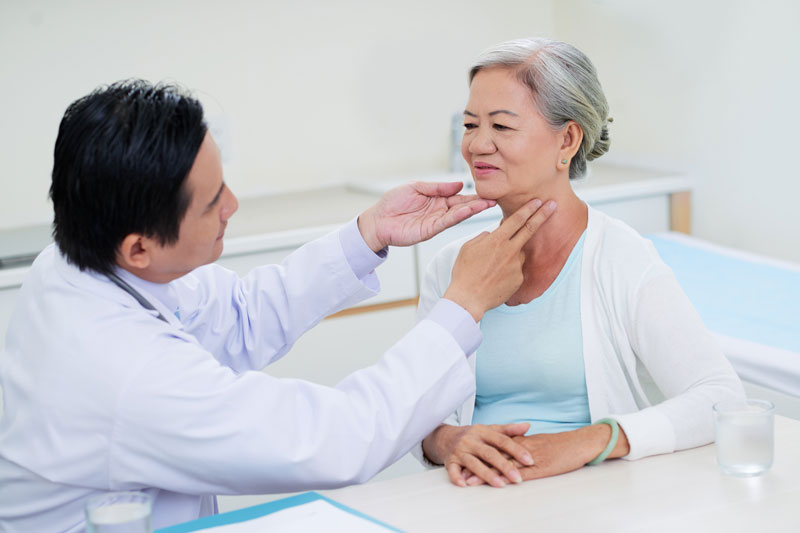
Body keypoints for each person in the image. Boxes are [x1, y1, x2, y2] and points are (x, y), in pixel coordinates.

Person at [0, 80, 556, 532]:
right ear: (139, 246)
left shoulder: (80, 258)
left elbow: (241, 314)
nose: (233, 206)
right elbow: (337, 439)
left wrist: (369, 234)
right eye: (213, 201)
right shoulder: (124, 376)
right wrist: (463, 307)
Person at [414, 37, 745, 488]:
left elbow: (720, 398)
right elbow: (417, 416)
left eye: (502, 127)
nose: (477, 145)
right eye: (471, 125)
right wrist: (450, 441)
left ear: (567, 140)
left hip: (593, 497)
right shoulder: (450, 266)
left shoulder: (619, 257)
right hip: (474, 500)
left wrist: (588, 442)